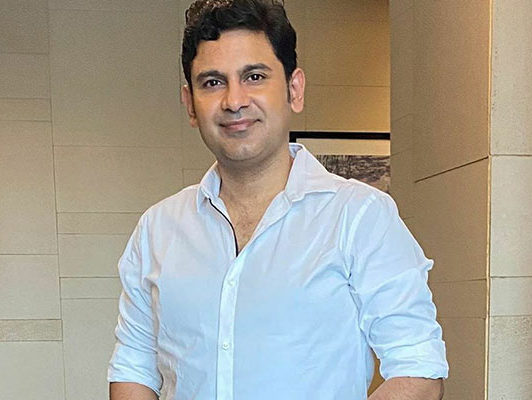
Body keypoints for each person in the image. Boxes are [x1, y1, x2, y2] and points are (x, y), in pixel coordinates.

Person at [107, 0, 448, 399]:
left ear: (294, 89)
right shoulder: (158, 229)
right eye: (213, 82)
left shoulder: (359, 217)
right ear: (190, 104)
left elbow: (417, 369)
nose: (234, 101)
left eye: (254, 76)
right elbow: (134, 367)